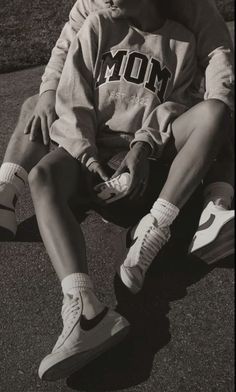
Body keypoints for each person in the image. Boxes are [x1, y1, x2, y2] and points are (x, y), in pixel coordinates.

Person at [27, 0, 232, 381]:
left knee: (215, 112)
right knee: (42, 176)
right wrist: (90, 161)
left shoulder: (183, 39)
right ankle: (85, 309)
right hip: (94, 157)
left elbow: (175, 107)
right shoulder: (98, 25)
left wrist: (140, 148)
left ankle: (158, 225)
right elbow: (73, 102)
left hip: (149, 164)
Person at [0, 0, 234, 264]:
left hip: (150, 135)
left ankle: (214, 207)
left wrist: (220, 116)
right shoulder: (93, 9)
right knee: (36, 104)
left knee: (221, 113)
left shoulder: (191, 15)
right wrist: (49, 93)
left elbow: (218, 54)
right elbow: (66, 49)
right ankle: (4, 195)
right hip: (101, 135)